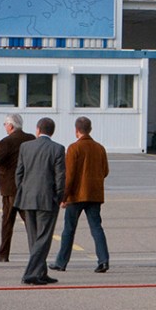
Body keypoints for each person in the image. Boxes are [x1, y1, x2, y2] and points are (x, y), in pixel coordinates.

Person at [51, 116, 110, 274]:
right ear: (90, 130)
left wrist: (63, 197)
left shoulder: (73, 148)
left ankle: (61, 262)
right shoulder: (100, 148)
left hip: (76, 195)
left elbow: (69, 176)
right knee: (96, 227)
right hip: (95, 195)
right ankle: (103, 260)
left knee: (69, 229)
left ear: (76, 130)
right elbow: (105, 171)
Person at [15, 117, 66, 285]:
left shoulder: (26, 147)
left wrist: (23, 191)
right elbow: (60, 177)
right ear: (52, 131)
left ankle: (40, 272)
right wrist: (58, 196)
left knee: (34, 237)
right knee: (44, 237)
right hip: (46, 199)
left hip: (27, 197)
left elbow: (19, 173)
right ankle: (31, 273)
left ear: (37, 129)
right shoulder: (57, 149)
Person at [0, 113, 33, 262]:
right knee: (30, 221)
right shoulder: (31, 138)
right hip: (26, 186)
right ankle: (36, 251)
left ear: (11, 126)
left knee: (7, 221)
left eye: (5, 124)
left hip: (9, 188)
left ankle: (3, 254)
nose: (5, 127)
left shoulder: (6, 142)